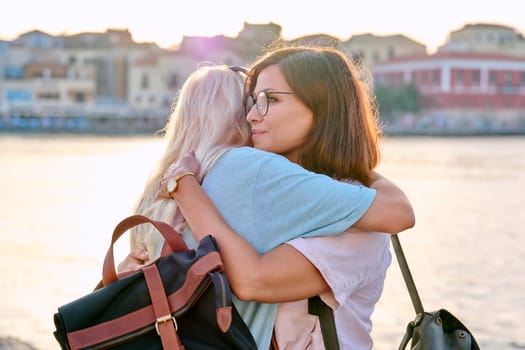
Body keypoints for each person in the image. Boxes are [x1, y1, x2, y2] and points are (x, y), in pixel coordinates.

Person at [122, 50, 414, 350]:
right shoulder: (266, 187)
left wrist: (184, 187)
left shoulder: (358, 225)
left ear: (323, 106)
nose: (251, 115)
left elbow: (253, 280)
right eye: (253, 101)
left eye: (270, 100)